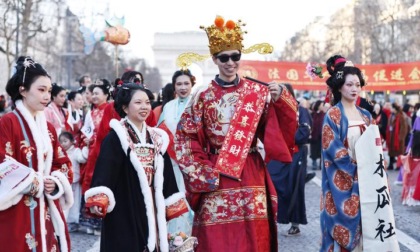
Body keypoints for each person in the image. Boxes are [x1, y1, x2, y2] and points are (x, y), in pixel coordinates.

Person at [175, 16, 297, 252]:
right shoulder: (202, 96)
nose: (230, 62)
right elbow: (185, 138)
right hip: (215, 172)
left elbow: (278, 132)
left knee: (254, 236)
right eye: (224, 57)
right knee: (216, 238)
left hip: (250, 170)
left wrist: (281, 100)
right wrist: (203, 173)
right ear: (214, 59)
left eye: (235, 56)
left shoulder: (258, 92)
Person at [85, 83, 188, 252]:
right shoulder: (116, 137)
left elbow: (166, 172)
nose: (145, 107)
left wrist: (170, 200)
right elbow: (105, 170)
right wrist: (101, 196)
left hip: (152, 205)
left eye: (147, 102)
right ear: (125, 107)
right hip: (125, 204)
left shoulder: (157, 138)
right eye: (138, 102)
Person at [320, 55, 399, 251]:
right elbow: (333, 151)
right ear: (339, 87)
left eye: (357, 84)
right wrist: (359, 171)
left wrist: (378, 170)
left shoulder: (366, 115)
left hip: (367, 181)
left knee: (369, 230)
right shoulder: (333, 115)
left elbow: (375, 147)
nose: (354, 89)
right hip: (345, 181)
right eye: (349, 84)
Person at [0, 56, 73, 251]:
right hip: (15, 209)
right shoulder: (8, 122)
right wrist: (35, 182)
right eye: (41, 90)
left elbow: (62, 162)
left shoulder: (48, 128)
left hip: (45, 209)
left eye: (49, 91)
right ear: (23, 90)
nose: (47, 96)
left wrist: (56, 181)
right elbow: (2, 162)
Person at [268, 83, 312, 236]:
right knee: (271, 184)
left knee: (294, 188)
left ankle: (295, 224)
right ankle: (271, 219)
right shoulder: (273, 109)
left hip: (295, 154)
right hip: (277, 155)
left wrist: (284, 139)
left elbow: (304, 132)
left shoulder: (301, 110)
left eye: (280, 92)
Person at [157, 69, 195, 235]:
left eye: (186, 83)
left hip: (192, 162)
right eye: (179, 84)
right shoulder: (168, 106)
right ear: (174, 86)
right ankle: (174, 238)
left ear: (192, 84)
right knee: (174, 198)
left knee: (191, 200)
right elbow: (159, 132)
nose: (183, 87)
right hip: (171, 163)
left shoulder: (197, 104)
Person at [59, 131, 88, 232]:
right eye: (61, 142)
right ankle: (63, 220)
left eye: (65, 141)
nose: (63, 144)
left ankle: (72, 222)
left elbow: (83, 159)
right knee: (63, 201)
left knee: (74, 202)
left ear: (72, 141)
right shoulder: (60, 152)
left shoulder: (76, 151)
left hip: (74, 181)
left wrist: (86, 148)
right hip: (63, 182)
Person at [386, 103, 408, 170]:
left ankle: (399, 165)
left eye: (392, 108)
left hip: (397, 138)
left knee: (399, 153)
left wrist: (400, 137)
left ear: (395, 109)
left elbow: (404, 128)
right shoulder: (391, 116)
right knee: (391, 152)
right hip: (391, 136)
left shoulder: (400, 116)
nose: (391, 109)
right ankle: (391, 165)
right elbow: (389, 125)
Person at [310, 100, 325, 170]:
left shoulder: (324, 114)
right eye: (322, 105)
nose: (323, 106)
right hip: (314, 135)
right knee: (314, 150)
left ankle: (320, 164)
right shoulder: (313, 114)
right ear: (318, 106)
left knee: (321, 151)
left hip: (321, 136)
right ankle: (314, 162)